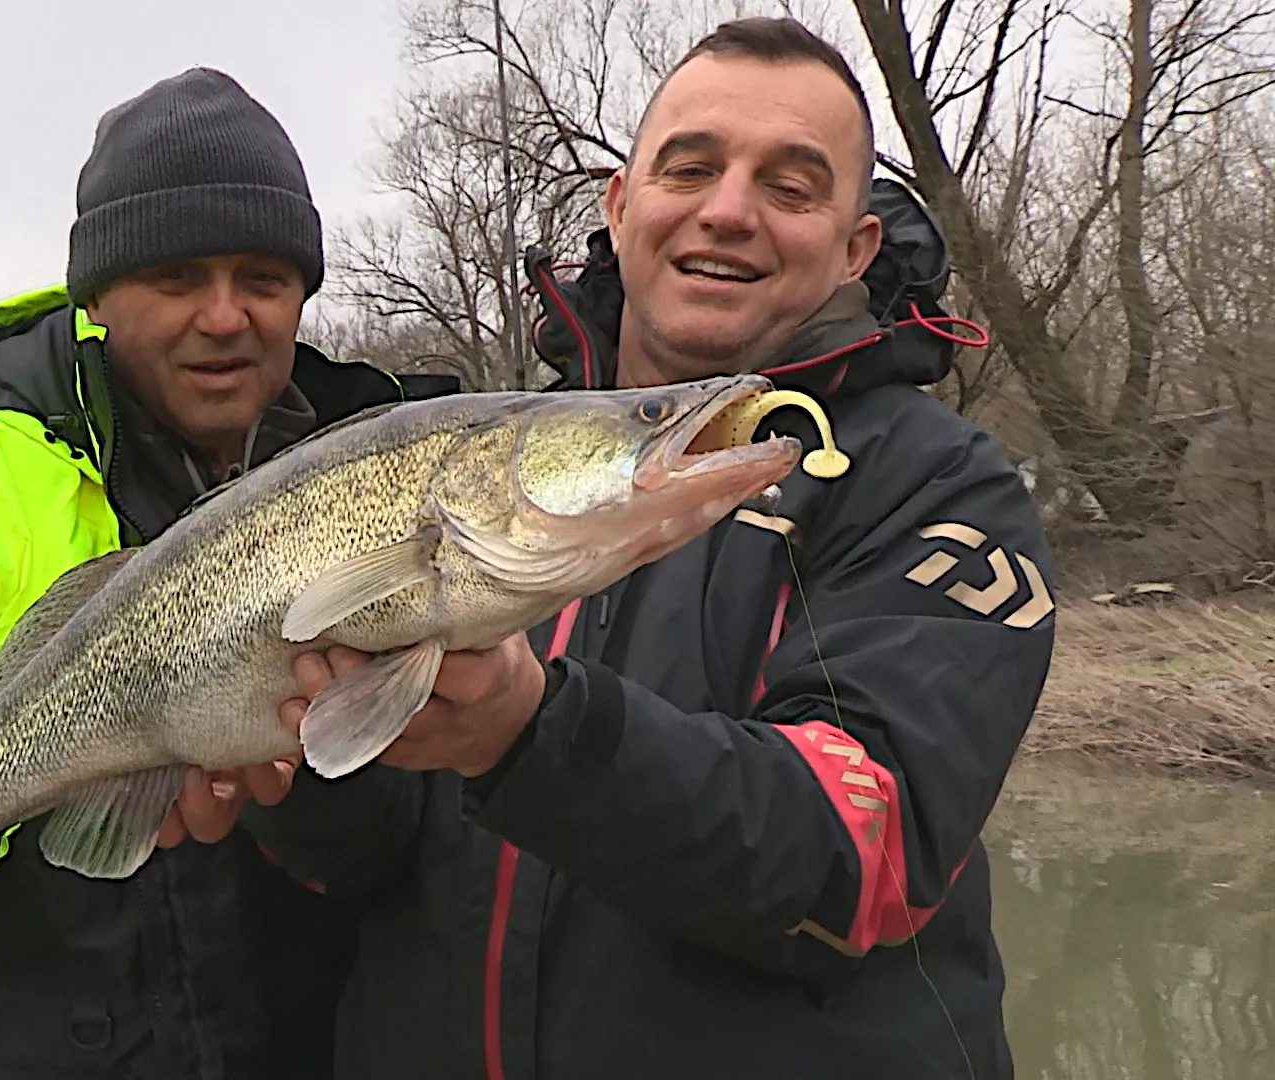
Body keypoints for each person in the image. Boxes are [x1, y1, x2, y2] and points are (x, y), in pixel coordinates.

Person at [238, 18, 1055, 1080]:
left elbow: (861, 860)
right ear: (621, 206)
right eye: (691, 167)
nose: (728, 210)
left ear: (856, 249)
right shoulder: (485, 472)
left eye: (792, 186)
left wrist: (529, 735)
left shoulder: (943, 487)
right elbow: (378, 863)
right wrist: (300, 780)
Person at [0, 67, 458, 1080]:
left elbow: (417, 858)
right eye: (176, 280)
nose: (224, 316)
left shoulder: (382, 478)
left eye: (262, 278)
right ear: (98, 295)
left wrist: (303, 791)